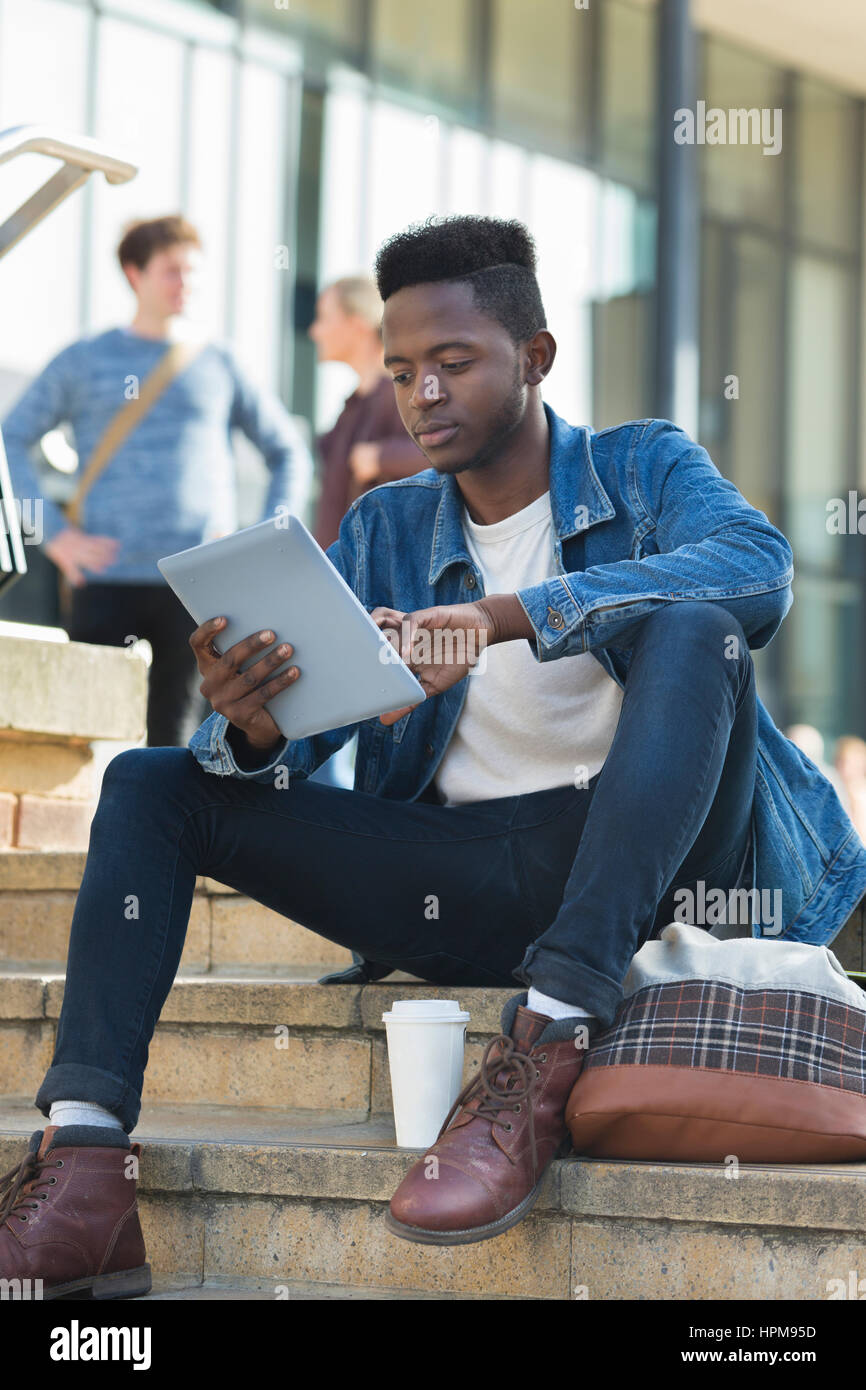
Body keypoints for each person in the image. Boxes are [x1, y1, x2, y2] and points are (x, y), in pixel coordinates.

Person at [3, 216, 866, 1291]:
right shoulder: (383, 528)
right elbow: (280, 764)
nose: (423, 395)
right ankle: (84, 1165)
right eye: (403, 370)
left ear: (534, 357)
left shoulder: (641, 466)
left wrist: (506, 614)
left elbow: (755, 569)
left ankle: (544, 1041)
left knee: (697, 625)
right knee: (152, 781)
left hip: (661, 870)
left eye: (454, 363)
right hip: (466, 872)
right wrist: (254, 725)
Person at [1, 215, 310, 747]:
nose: (185, 284)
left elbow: (289, 451)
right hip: (105, 578)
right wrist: (54, 536)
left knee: (178, 739)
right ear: (133, 274)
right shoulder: (84, 360)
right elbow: (10, 439)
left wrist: (263, 539)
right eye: (172, 271)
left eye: (193, 272)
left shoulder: (220, 361)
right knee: (83, 736)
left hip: (198, 585)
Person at [309, 275, 427, 551]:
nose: (315, 331)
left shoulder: (400, 397)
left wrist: (383, 457)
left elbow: (448, 460)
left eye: (324, 318)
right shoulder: (355, 404)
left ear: (356, 325)